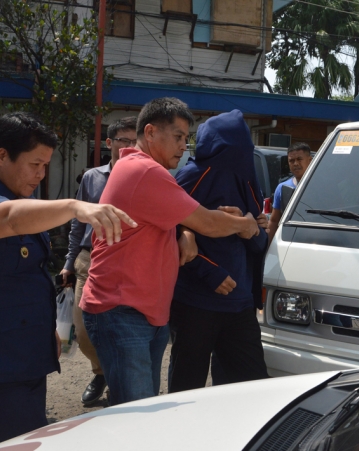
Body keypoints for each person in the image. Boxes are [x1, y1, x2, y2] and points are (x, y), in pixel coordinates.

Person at [0, 112, 136, 448]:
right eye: (35, 164)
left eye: (45, 165)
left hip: (21, 355)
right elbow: (6, 220)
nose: (41, 174)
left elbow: (25, 277)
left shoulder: (21, 199)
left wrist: (46, 329)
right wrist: (76, 206)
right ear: (2, 156)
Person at [80, 97, 260, 406]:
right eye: (177, 137)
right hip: (125, 310)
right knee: (138, 414)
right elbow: (207, 222)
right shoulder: (147, 172)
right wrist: (246, 226)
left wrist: (186, 233)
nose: (184, 146)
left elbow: (176, 222)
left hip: (147, 311)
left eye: (186, 138)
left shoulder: (144, 170)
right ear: (150, 133)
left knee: (146, 408)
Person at [169, 109, 269, 393]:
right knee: (187, 390)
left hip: (240, 307)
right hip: (196, 304)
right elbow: (168, 229)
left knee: (249, 389)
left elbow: (259, 243)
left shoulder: (249, 182)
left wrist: (249, 230)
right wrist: (208, 271)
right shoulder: (192, 176)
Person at [60, 116, 137, 406]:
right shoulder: (93, 177)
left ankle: (118, 383)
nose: (129, 146)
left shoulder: (143, 176)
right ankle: (100, 372)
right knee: (83, 333)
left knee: (121, 331)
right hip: (87, 262)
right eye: (123, 141)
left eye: (134, 141)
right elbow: (78, 225)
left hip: (126, 264)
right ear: (109, 143)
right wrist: (68, 262)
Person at [267, 142, 313, 243]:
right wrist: (267, 248)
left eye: (299, 159)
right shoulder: (282, 188)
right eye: (291, 161)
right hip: (290, 244)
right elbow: (274, 221)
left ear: (310, 160)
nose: (295, 163)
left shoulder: (323, 186)